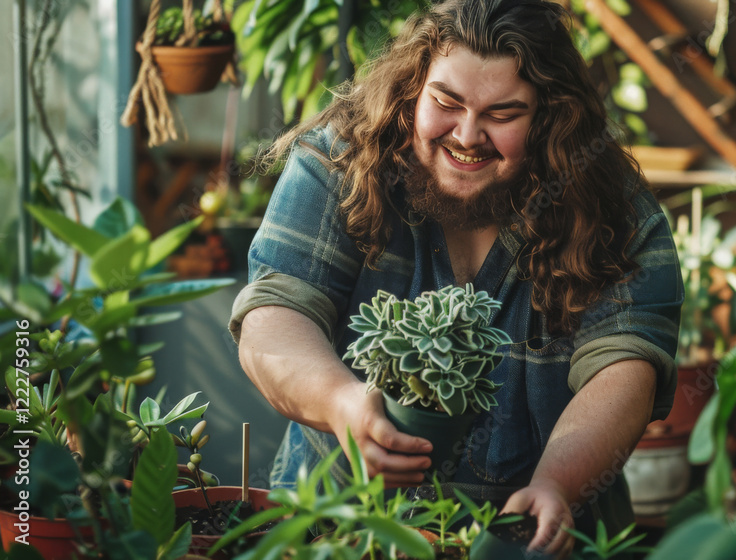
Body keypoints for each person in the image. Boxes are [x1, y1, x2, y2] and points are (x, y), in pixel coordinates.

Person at [228, 0, 682, 556]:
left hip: (534, 541)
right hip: (338, 534)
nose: (467, 135)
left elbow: (625, 368)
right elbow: (272, 320)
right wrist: (343, 406)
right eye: (447, 102)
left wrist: (556, 483)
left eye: (503, 114)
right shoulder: (337, 167)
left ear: (547, 116)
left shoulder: (616, 212)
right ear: (413, 89)